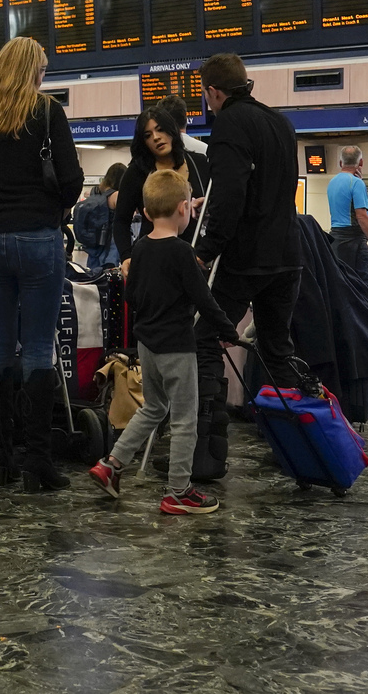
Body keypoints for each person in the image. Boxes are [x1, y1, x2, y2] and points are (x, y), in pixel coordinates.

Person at [0, 36, 83, 491]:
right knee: (39, 349)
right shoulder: (47, 112)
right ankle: (37, 463)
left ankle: (2, 460)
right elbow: (71, 180)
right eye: (42, 69)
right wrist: (49, 207)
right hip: (38, 239)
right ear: (33, 72)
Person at [194, 54, 320, 480]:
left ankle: (207, 454)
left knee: (205, 341)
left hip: (248, 257)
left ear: (214, 92)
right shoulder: (281, 122)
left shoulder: (229, 123)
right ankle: (301, 449)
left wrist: (208, 248)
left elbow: (229, 196)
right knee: (276, 348)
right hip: (288, 253)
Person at [88, 170, 238, 514]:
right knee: (185, 418)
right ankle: (178, 491)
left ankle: (112, 463)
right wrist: (228, 332)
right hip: (177, 347)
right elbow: (205, 300)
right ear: (185, 208)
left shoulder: (139, 250)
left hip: (147, 346)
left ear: (145, 209)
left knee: (154, 407)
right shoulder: (183, 253)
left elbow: (132, 298)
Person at [113, 105, 210, 278]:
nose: (156, 138)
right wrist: (126, 256)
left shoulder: (199, 163)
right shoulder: (136, 173)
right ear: (143, 142)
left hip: (195, 257)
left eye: (160, 130)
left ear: (171, 130)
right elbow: (121, 220)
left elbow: (218, 208)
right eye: (148, 135)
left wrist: (206, 207)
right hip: (152, 262)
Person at [327, 145, 368, 294]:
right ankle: (362, 316)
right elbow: (361, 216)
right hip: (354, 240)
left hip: (336, 238)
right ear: (361, 163)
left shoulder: (332, 183)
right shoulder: (357, 183)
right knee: (366, 284)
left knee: (343, 282)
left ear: (340, 163)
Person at [74, 162, 125, 271]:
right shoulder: (116, 195)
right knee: (109, 275)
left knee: (94, 276)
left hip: (95, 243)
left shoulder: (97, 192)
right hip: (110, 244)